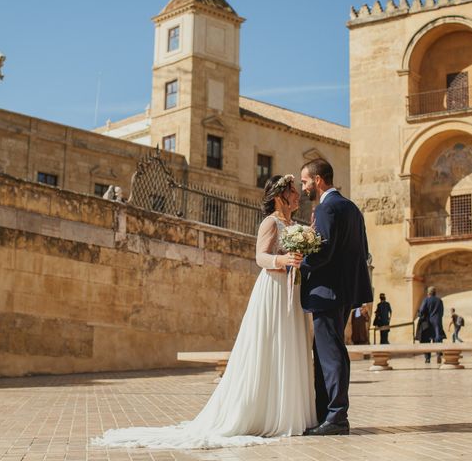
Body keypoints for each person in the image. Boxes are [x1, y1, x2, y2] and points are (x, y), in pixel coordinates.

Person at [93, 174, 316, 449]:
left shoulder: (294, 225)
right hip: (273, 289)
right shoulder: (270, 222)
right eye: (293, 192)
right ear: (280, 196)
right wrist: (283, 259)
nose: (298, 196)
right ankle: (265, 412)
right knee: (271, 346)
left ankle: (288, 411)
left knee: (289, 347)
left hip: (291, 292)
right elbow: (260, 257)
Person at [299, 158, 372, 436]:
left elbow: (324, 251)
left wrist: (299, 262)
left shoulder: (327, 208)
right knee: (328, 352)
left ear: (318, 180)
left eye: (305, 181)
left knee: (330, 355)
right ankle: (325, 413)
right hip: (344, 292)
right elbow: (362, 251)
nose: (303, 187)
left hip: (326, 292)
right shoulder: (352, 208)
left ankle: (336, 416)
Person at [418, 286, 445, 363]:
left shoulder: (426, 300)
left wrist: (419, 314)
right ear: (435, 292)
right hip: (437, 322)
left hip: (428, 323)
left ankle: (427, 358)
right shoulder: (439, 300)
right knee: (438, 338)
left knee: (426, 340)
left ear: (428, 293)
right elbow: (442, 312)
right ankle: (438, 354)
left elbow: (421, 311)